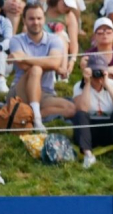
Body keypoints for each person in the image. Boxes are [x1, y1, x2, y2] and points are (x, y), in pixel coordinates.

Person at [8, 2, 75, 131]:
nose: (36, 22)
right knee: (36, 70)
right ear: (24, 21)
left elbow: (54, 63)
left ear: (44, 19)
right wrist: (49, 64)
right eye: (31, 19)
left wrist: (26, 58)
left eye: (39, 18)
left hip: (45, 92)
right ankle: (38, 120)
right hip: (20, 91)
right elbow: (23, 66)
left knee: (71, 109)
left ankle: (30, 116)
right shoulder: (16, 40)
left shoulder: (54, 40)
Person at [73, 54, 113, 170]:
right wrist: (87, 83)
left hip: (110, 129)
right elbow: (82, 108)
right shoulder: (79, 86)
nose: (97, 75)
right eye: (94, 71)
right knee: (80, 115)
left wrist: (107, 84)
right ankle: (88, 155)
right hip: (90, 131)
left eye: (100, 71)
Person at [44, 0, 78, 80]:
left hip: (61, 45)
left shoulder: (69, 16)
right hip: (43, 42)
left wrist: (72, 60)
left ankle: (63, 73)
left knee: (60, 36)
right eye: (65, 4)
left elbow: (74, 42)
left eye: (69, 6)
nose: (67, 8)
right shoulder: (43, 9)